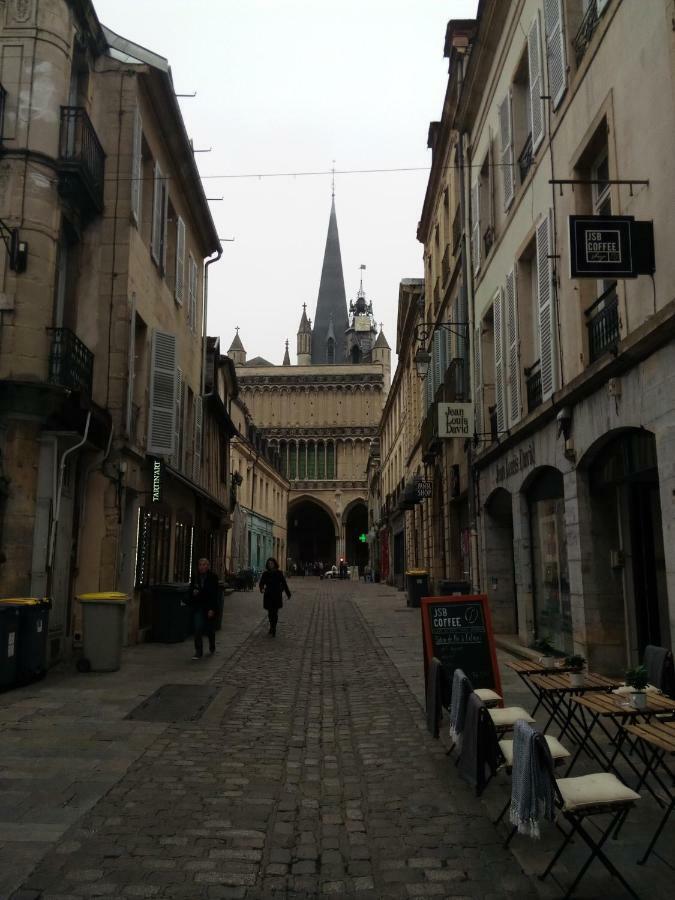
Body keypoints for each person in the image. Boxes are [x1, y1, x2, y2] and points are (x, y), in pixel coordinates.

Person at [189, 557, 219, 659]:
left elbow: (215, 595)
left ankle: (212, 644)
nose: (201, 567)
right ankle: (198, 651)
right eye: (200, 565)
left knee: (210, 630)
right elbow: (191, 589)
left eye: (204, 565)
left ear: (208, 566)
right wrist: (193, 592)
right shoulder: (195, 577)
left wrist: (212, 609)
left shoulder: (213, 577)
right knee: (197, 629)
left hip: (209, 607)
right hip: (198, 607)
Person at [258, 557, 291, 637]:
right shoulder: (265, 574)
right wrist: (262, 589)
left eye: (272, 563)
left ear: (275, 564)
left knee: (275, 613)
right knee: (270, 613)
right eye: (269, 564)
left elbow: (284, 583)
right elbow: (261, 583)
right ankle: (271, 626)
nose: (270, 565)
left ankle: (274, 628)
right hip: (268, 595)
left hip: (276, 595)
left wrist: (288, 593)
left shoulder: (279, 573)